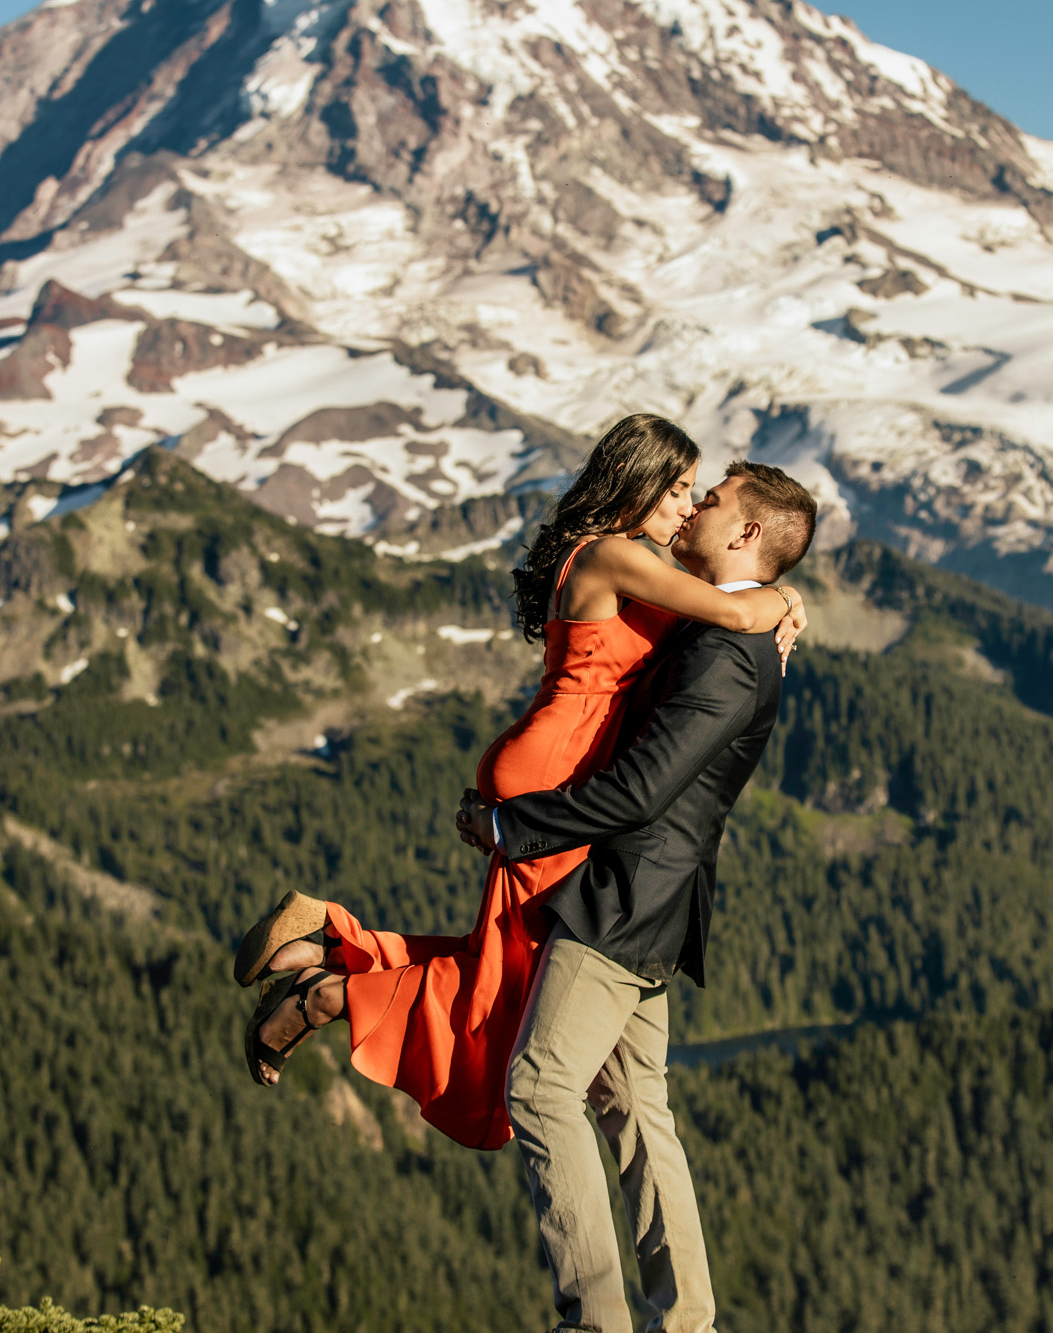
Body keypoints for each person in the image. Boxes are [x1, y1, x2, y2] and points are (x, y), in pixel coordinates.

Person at [229, 414, 808, 1153]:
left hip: (548, 754)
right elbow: (731, 608)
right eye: (679, 491)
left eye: (698, 495)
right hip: (556, 765)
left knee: (500, 958)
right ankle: (330, 994)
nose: (688, 509)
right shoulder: (613, 555)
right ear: (638, 483)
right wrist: (784, 600)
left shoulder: (617, 553)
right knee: (501, 987)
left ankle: (325, 945)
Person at [456, 460, 820, 1333]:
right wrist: (781, 599)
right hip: (645, 896)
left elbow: (640, 793)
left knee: (543, 1088)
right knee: (629, 1103)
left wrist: (511, 828)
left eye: (714, 499)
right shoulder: (731, 626)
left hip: (624, 899)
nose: (694, 505)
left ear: (745, 534)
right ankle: (685, 1319)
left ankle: (597, 1321)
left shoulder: (731, 658)